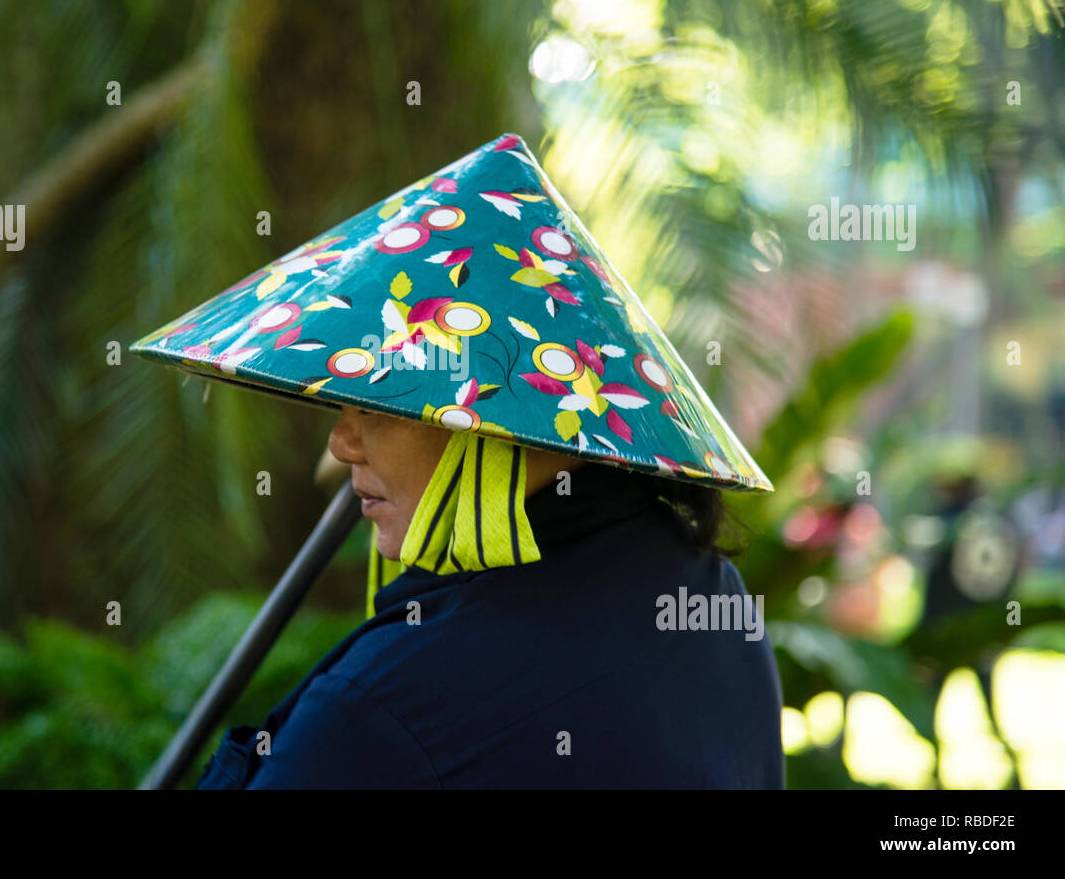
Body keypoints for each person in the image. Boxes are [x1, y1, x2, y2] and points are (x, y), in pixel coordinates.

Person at [133, 132, 784, 788]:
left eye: (378, 402)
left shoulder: (374, 715)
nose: (341, 442)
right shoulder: (716, 605)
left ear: (496, 425)